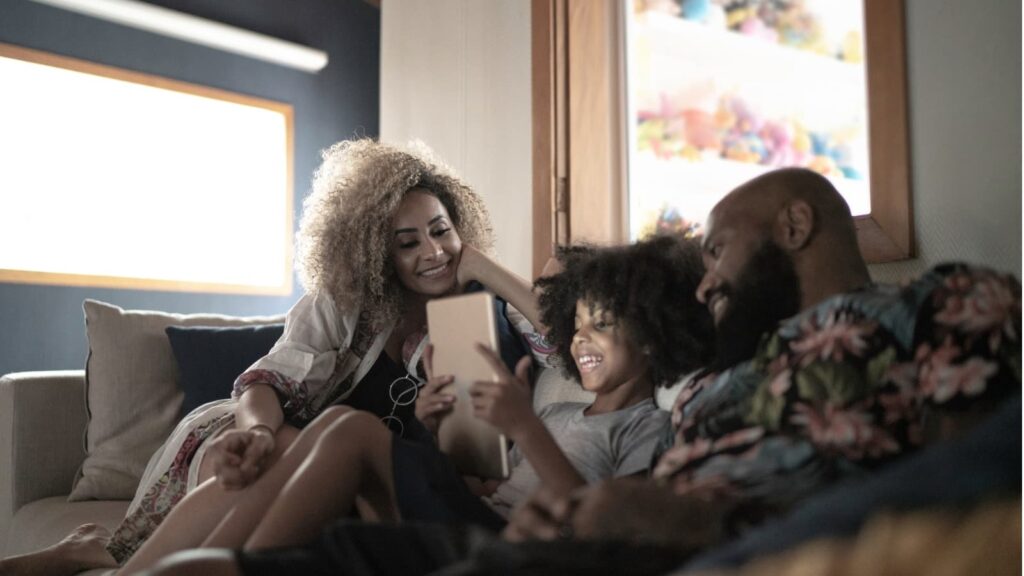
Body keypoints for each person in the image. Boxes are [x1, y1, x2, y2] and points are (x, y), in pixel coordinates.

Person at [147, 166, 1020, 576]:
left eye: (717, 250)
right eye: (407, 239)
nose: (708, 277)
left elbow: (972, 471)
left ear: (795, 225)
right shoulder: (721, 369)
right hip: (568, 527)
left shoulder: (931, 307)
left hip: (644, 544)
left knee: (344, 435)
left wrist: (675, 520)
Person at [0, 139, 546, 576]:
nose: (432, 252)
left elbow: (562, 334)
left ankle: (96, 555)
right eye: (407, 243)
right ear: (377, 252)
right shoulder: (344, 304)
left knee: (321, 449)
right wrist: (259, 433)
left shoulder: (481, 311)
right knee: (284, 451)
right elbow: (264, 385)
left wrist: (487, 268)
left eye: (441, 231)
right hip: (260, 427)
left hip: (352, 466)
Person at [139, 236, 715, 570]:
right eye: (577, 327)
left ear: (655, 336)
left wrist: (524, 428)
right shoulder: (560, 411)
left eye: (603, 326)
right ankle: (215, 564)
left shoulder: (650, 426)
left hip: (502, 539)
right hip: (472, 510)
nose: (580, 341)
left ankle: (249, 568)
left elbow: (602, 523)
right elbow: (480, 483)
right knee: (338, 424)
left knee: (350, 430)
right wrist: (435, 425)